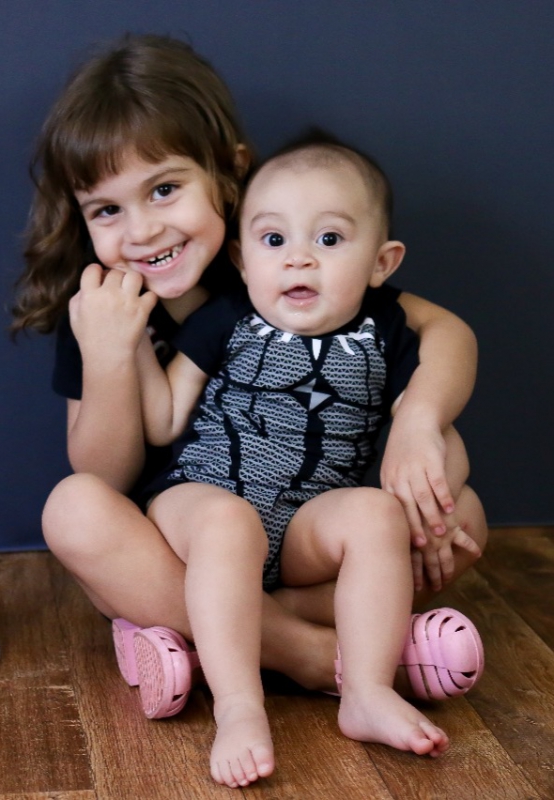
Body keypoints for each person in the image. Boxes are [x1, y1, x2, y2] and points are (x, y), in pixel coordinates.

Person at [10, 34, 487, 784]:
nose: (142, 231)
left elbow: (443, 333)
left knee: (463, 515)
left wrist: (421, 430)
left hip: (301, 540)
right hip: (171, 549)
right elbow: (105, 472)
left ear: (228, 172)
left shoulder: (283, 264)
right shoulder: (102, 307)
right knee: (74, 508)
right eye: (107, 209)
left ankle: (201, 645)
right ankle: (314, 657)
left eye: (164, 190)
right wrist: (110, 353)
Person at [134, 133, 484, 784]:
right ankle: (239, 706)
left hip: (304, 525)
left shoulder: (385, 328)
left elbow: (436, 433)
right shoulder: (226, 316)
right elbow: (162, 419)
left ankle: (365, 692)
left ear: (381, 262)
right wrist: (123, 342)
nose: (298, 258)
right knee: (227, 523)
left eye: (328, 239)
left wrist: (432, 500)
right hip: (204, 497)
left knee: (378, 514)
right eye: (274, 240)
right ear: (242, 260)